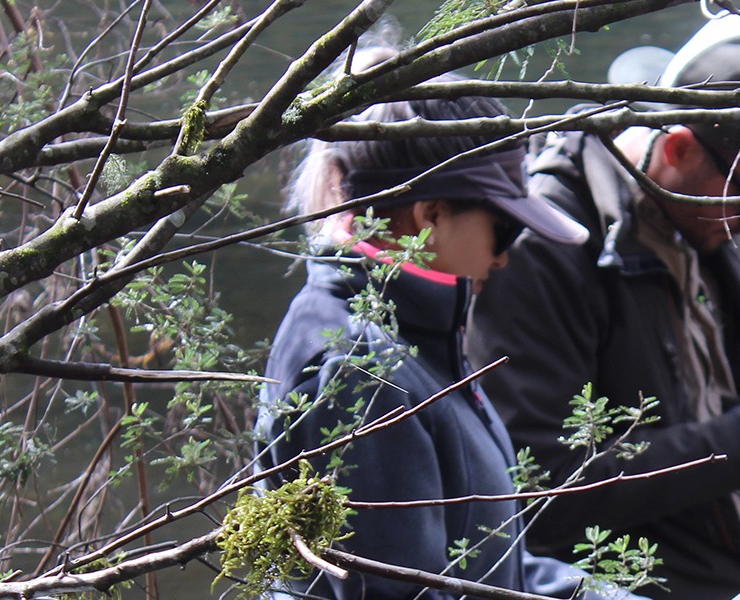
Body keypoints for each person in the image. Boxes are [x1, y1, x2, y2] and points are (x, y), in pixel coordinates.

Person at [467, 12, 740, 599]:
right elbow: (535, 496)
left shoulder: (690, 207)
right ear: (678, 149)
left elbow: (678, 360)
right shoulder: (542, 250)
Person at [256, 59, 638, 600]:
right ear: (430, 214)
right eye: (503, 230)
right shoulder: (362, 375)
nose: (503, 260)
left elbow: (495, 570)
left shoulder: (418, 336)